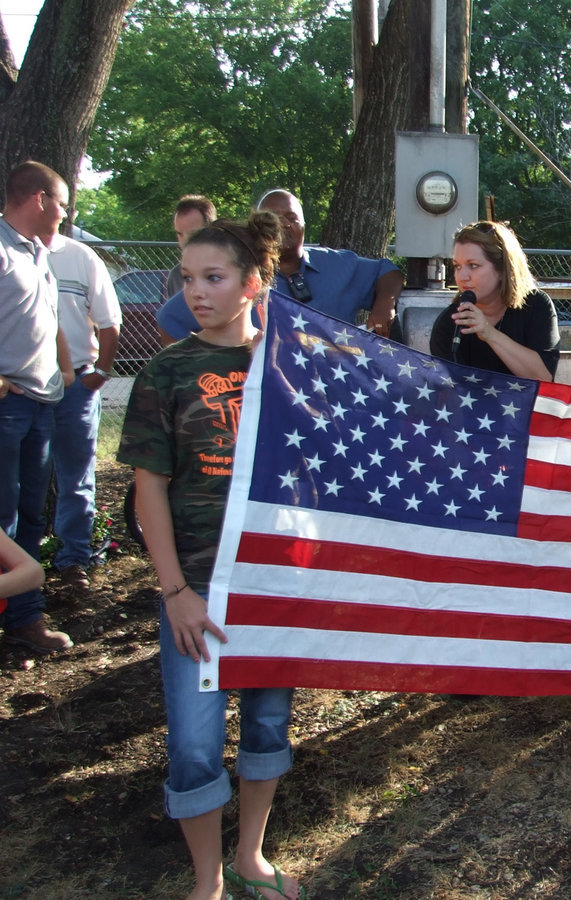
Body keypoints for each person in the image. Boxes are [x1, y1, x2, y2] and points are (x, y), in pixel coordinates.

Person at [118, 213, 305, 900]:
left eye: (213, 278)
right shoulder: (167, 372)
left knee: (266, 723)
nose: (196, 292)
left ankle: (250, 856)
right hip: (195, 588)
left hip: (271, 584)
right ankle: (208, 882)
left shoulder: (290, 366)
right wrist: (175, 593)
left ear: (254, 284)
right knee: (196, 745)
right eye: (189, 278)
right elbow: (149, 491)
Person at [157, 188, 404, 341]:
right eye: (273, 218)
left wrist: (385, 305)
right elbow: (170, 318)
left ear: (304, 225)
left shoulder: (338, 265)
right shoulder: (240, 274)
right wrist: (195, 365)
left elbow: (388, 271)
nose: (284, 224)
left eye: (291, 218)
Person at [0, 161, 74, 655]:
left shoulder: (36, 254)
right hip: (7, 407)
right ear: (40, 199)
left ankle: (24, 619)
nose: (66, 215)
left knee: (30, 514)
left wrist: (66, 368)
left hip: (40, 405)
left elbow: (47, 321)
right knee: (1, 517)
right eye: (63, 204)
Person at [38, 220, 122, 590]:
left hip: (76, 383)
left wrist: (100, 372)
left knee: (75, 476)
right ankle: (22, 561)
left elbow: (109, 321)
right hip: (21, 387)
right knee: (18, 479)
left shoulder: (80, 256)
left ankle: (74, 558)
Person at [429, 221, 561, 381]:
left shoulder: (535, 304)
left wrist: (488, 333)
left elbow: (543, 378)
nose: (462, 277)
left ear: (502, 269)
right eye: (457, 266)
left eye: (473, 265)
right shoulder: (450, 321)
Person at [164, 194, 217, 299]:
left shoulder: (235, 270)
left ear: (212, 230)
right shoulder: (176, 277)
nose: (185, 242)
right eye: (180, 234)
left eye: (192, 234)